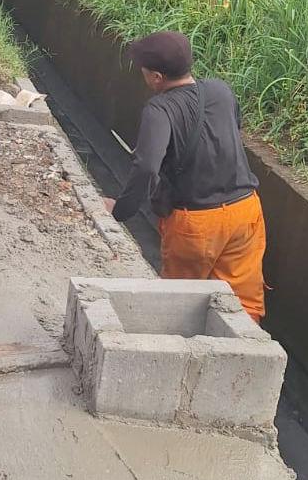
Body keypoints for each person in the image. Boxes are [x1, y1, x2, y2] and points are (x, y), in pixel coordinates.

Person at [105, 31, 267, 322]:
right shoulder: (220, 90)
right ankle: (244, 353)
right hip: (246, 211)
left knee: (177, 304)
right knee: (243, 305)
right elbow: (233, 129)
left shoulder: (160, 109)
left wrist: (120, 210)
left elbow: (146, 168)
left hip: (197, 222)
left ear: (156, 77)